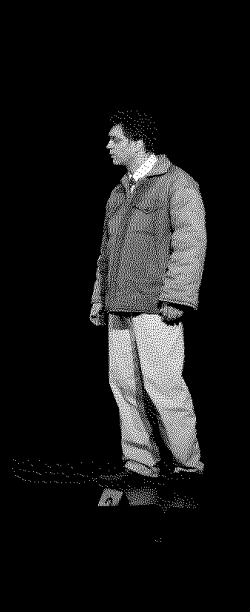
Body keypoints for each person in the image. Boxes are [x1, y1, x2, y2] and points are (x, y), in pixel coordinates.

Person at [90, 111, 205, 492]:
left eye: (116, 139)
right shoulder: (118, 192)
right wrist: (99, 298)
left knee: (164, 387)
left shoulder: (177, 183)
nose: (108, 145)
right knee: (124, 386)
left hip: (156, 305)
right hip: (119, 303)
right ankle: (140, 463)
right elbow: (106, 252)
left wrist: (177, 297)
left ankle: (188, 466)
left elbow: (190, 244)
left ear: (138, 142)